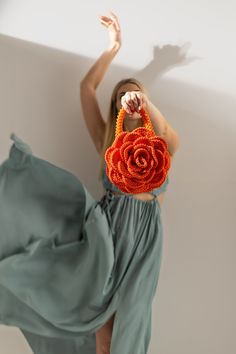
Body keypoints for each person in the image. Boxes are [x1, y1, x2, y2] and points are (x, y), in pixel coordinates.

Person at [0, 12, 180, 354]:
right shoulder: (106, 142)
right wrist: (113, 48)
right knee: (101, 323)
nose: (128, 101)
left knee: (132, 317)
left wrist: (143, 100)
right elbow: (87, 88)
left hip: (145, 243)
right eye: (121, 98)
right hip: (108, 236)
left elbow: (171, 136)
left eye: (134, 95)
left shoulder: (161, 146)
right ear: (114, 109)